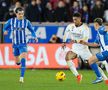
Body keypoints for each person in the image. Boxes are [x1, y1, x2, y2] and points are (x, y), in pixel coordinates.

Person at [62, 13, 108, 83]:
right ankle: (78, 75)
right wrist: (64, 42)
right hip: (75, 48)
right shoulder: (70, 26)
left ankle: (104, 78)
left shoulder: (87, 28)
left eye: (76, 19)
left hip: (84, 50)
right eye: (73, 19)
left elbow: (85, 38)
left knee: (92, 62)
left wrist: (76, 40)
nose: (74, 21)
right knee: (67, 58)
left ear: (79, 19)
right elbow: (66, 33)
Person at [3, 7, 37, 83]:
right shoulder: (11, 21)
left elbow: (32, 30)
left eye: (22, 14)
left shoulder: (26, 22)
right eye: (19, 14)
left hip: (23, 44)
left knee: (23, 60)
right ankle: (20, 64)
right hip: (15, 45)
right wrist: (5, 31)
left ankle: (21, 78)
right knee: (18, 62)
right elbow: (4, 28)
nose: (21, 15)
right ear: (16, 14)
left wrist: (35, 36)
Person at [79, 18, 108, 84]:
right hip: (105, 52)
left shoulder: (101, 29)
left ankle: (99, 77)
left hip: (106, 52)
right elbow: (95, 44)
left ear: (96, 24)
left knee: (91, 60)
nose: (93, 26)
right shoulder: (99, 33)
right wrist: (85, 43)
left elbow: (106, 28)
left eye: (94, 25)